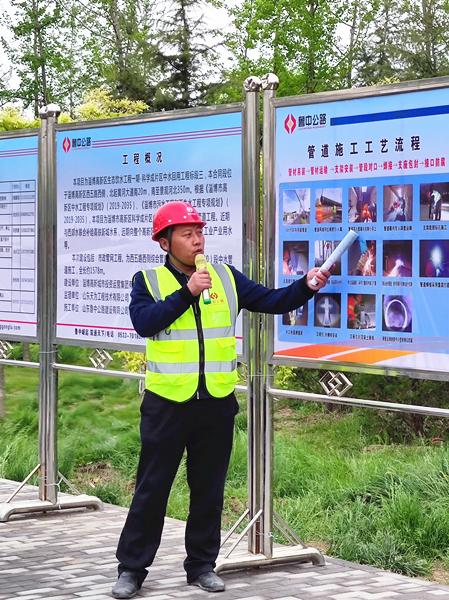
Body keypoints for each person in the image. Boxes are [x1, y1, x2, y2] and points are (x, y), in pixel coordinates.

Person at [111, 201, 329, 599]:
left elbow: (272, 301)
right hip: (166, 404)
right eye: (186, 234)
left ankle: (201, 566)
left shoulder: (225, 277)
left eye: (199, 232)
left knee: (208, 490)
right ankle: (131, 569)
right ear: (164, 243)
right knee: (152, 489)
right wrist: (188, 292)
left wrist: (306, 286)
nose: (197, 240)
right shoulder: (148, 281)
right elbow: (145, 322)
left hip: (215, 402)